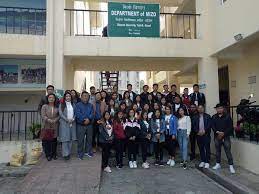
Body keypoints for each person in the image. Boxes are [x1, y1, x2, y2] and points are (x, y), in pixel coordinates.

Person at [212, 103, 235, 174]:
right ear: (216, 109)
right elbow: (213, 126)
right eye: (218, 108)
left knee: (228, 151)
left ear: (223, 109)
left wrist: (224, 133)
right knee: (218, 151)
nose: (219, 109)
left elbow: (230, 127)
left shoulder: (227, 116)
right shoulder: (214, 117)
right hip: (217, 136)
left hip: (226, 137)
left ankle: (231, 165)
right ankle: (218, 164)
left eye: (221, 108)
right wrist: (217, 132)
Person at [75, 91, 94, 160]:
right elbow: (78, 114)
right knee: (80, 140)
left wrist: (88, 119)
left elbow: (92, 113)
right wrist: (84, 120)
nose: (85, 97)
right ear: (81, 97)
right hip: (80, 124)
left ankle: (88, 151)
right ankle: (80, 153)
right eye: (84, 96)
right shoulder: (78, 105)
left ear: (88, 97)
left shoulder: (90, 105)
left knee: (89, 139)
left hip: (89, 125)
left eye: (87, 96)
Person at [41, 94, 59, 161]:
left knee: (54, 141)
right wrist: (48, 120)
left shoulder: (57, 107)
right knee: (46, 141)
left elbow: (59, 115)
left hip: (54, 125)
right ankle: (48, 155)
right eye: (50, 97)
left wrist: (55, 120)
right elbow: (43, 115)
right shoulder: (44, 106)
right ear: (47, 99)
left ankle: (54, 154)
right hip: (46, 125)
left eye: (53, 97)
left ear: (55, 99)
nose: (51, 99)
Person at [59, 92, 77, 160]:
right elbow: (60, 113)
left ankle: (68, 153)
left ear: (71, 97)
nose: (68, 97)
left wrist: (73, 118)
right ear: (64, 97)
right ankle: (65, 154)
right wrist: (67, 119)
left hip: (72, 123)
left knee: (70, 138)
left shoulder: (73, 104)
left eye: (69, 96)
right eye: (66, 96)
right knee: (65, 139)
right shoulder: (62, 104)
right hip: (64, 123)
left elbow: (75, 113)